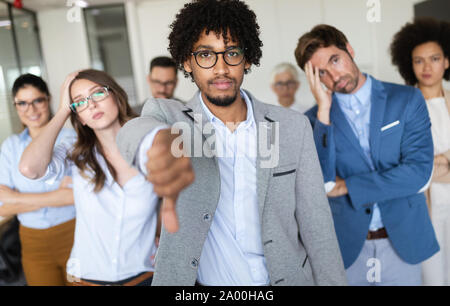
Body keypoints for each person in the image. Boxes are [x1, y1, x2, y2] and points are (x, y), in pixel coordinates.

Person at [117, 0, 347, 286]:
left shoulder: (292, 127)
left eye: (232, 53)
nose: (221, 68)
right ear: (187, 62)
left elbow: (317, 226)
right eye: (205, 55)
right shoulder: (170, 118)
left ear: (247, 58)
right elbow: (133, 132)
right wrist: (156, 143)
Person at [296, 24, 439, 286]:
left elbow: (418, 174)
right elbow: (325, 184)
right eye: (322, 73)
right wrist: (324, 114)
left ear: (349, 49)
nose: (333, 75)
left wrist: (348, 185)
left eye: (335, 60)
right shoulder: (313, 121)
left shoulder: (406, 99)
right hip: (347, 249)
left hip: (402, 242)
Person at [19, 69, 159, 286]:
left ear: (116, 95)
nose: (91, 104)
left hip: (144, 276)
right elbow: (29, 168)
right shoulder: (76, 155)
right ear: (79, 117)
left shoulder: (150, 142)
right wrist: (63, 111)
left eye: (97, 94)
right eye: (80, 102)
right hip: (87, 279)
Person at [0, 74, 76, 286]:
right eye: (22, 103)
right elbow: (1, 208)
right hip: (32, 242)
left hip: (73, 234)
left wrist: (15, 198)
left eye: (37, 100)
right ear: (15, 106)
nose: (30, 109)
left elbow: (74, 196)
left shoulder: (71, 139)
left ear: (49, 99)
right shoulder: (10, 146)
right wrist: (55, 196)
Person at [390, 17, 450, 286]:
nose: (427, 67)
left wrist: (433, 163)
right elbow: (404, 163)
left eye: (434, 58)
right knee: (433, 278)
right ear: (408, 64)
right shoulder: (400, 106)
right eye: (419, 60)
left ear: (446, 61)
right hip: (423, 206)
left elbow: (421, 162)